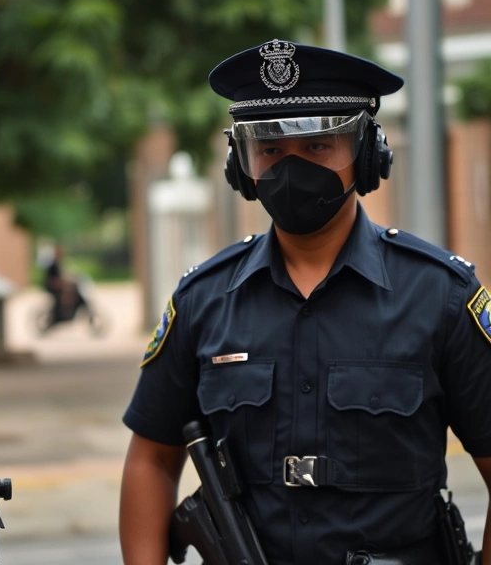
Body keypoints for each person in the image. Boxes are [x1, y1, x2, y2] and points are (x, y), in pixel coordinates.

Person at [120, 39, 491, 565]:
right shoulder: (204, 301)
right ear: (239, 164)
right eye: (269, 149)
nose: (290, 168)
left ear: (367, 154)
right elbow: (152, 460)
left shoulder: (442, 297)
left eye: (318, 146)